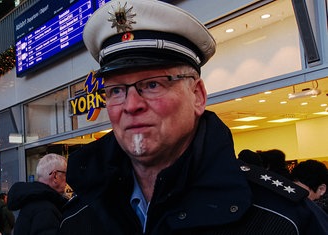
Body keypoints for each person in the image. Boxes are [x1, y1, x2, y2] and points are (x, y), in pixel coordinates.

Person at [58, 0, 328, 234]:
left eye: (153, 84)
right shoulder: (78, 217)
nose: (131, 105)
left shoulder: (283, 218)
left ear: (197, 95)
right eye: (116, 90)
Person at [7, 153, 68, 235]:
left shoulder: (33, 202)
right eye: (66, 174)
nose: (67, 180)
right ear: (55, 176)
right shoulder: (45, 210)